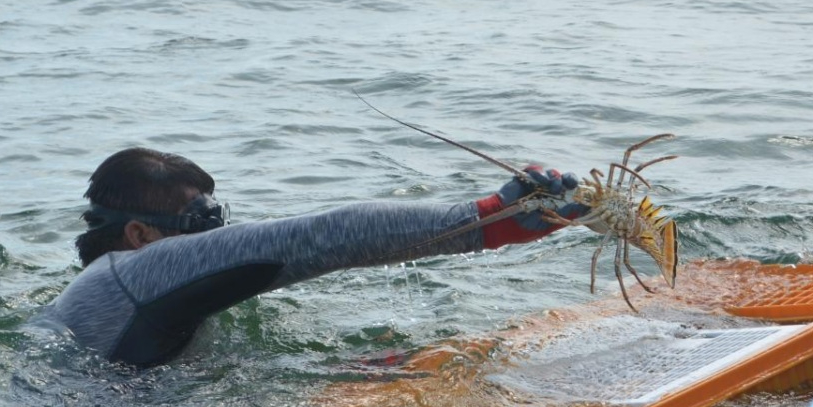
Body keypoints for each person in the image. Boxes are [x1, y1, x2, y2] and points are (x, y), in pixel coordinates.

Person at [47, 147, 587, 367]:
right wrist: (486, 219)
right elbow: (324, 236)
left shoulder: (105, 296)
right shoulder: (132, 274)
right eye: (202, 227)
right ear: (140, 235)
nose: (218, 238)